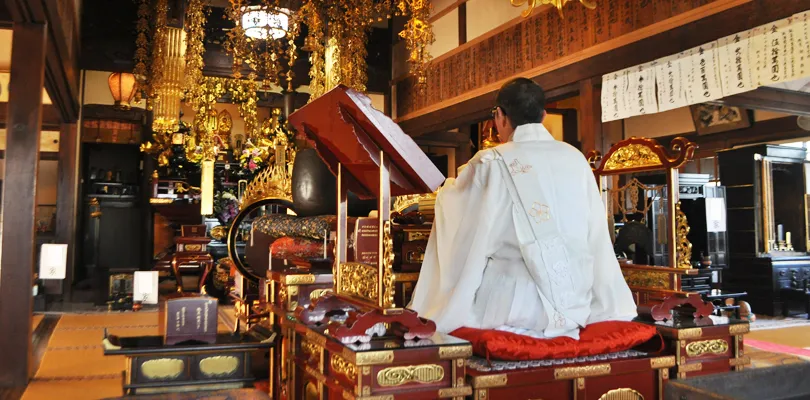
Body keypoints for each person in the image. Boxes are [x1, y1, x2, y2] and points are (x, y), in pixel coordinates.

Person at [408, 78, 637, 339]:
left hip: (511, 306)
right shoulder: (575, 158)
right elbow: (596, 233)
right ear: (544, 115)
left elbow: (460, 219)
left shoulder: (491, 162)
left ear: (500, 117)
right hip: (576, 300)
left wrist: (444, 193)